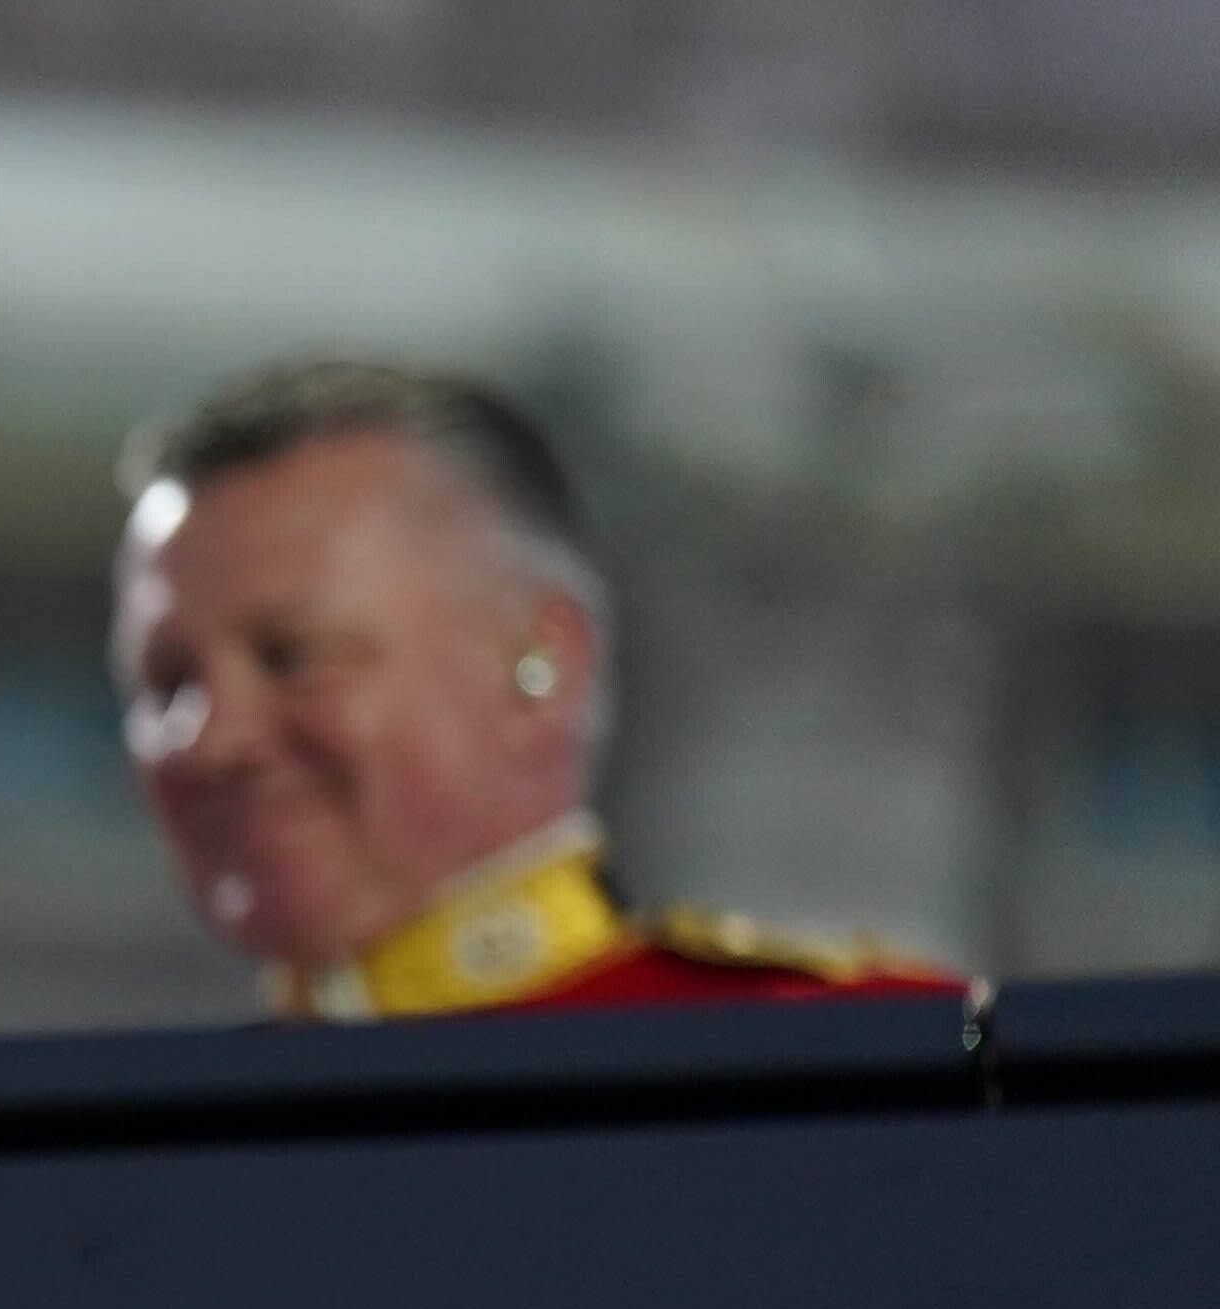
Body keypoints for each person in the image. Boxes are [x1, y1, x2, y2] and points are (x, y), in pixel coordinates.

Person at [113, 358, 968, 1019]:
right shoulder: (119, 1151)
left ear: (539, 665)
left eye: (293, 656)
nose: (209, 739)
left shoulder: (850, 1068)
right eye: (165, 682)